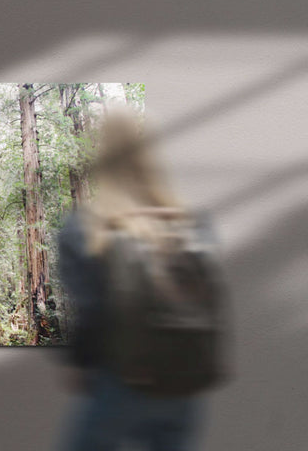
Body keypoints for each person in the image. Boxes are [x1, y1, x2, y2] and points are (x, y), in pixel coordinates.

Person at [56, 110, 218, 451]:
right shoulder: (192, 223)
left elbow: (92, 310)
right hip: (185, 383)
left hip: (121, 378)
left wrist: (79, 364)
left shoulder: (86, 226)